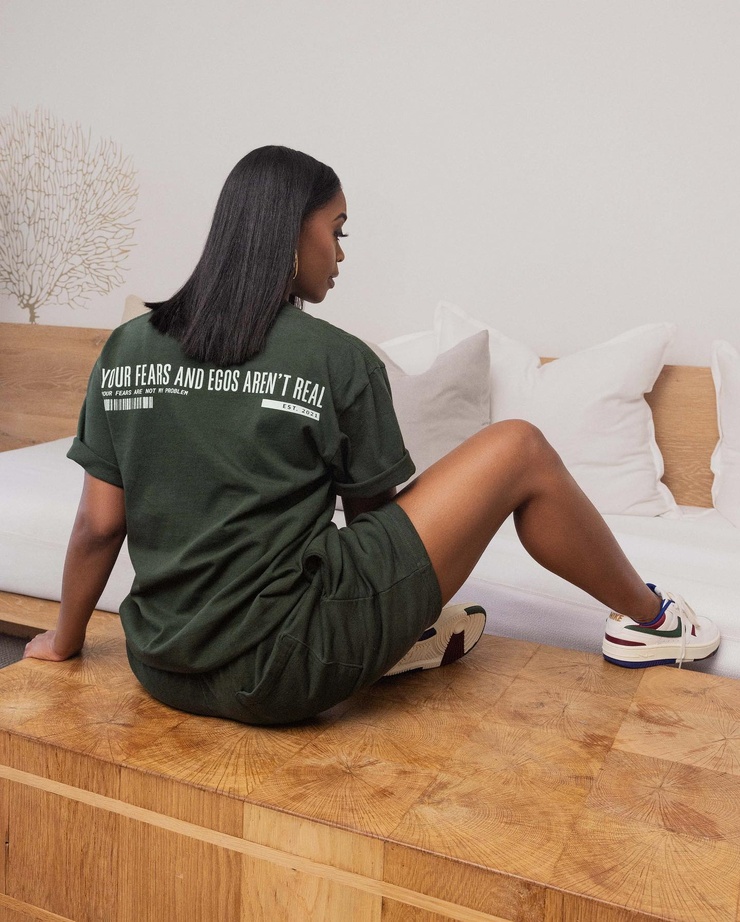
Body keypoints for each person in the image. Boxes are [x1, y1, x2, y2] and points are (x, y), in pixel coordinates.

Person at [24, 146, 720, 724]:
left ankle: (409, 642)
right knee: (520, 447)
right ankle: (654, 621)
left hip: (161, 666)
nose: (340, 254)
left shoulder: (125, 347)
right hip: (286, 674)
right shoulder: (336, 358)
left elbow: (98, 524)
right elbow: (376, 532)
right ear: (291, 233)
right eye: (337, 231)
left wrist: (64, 639)